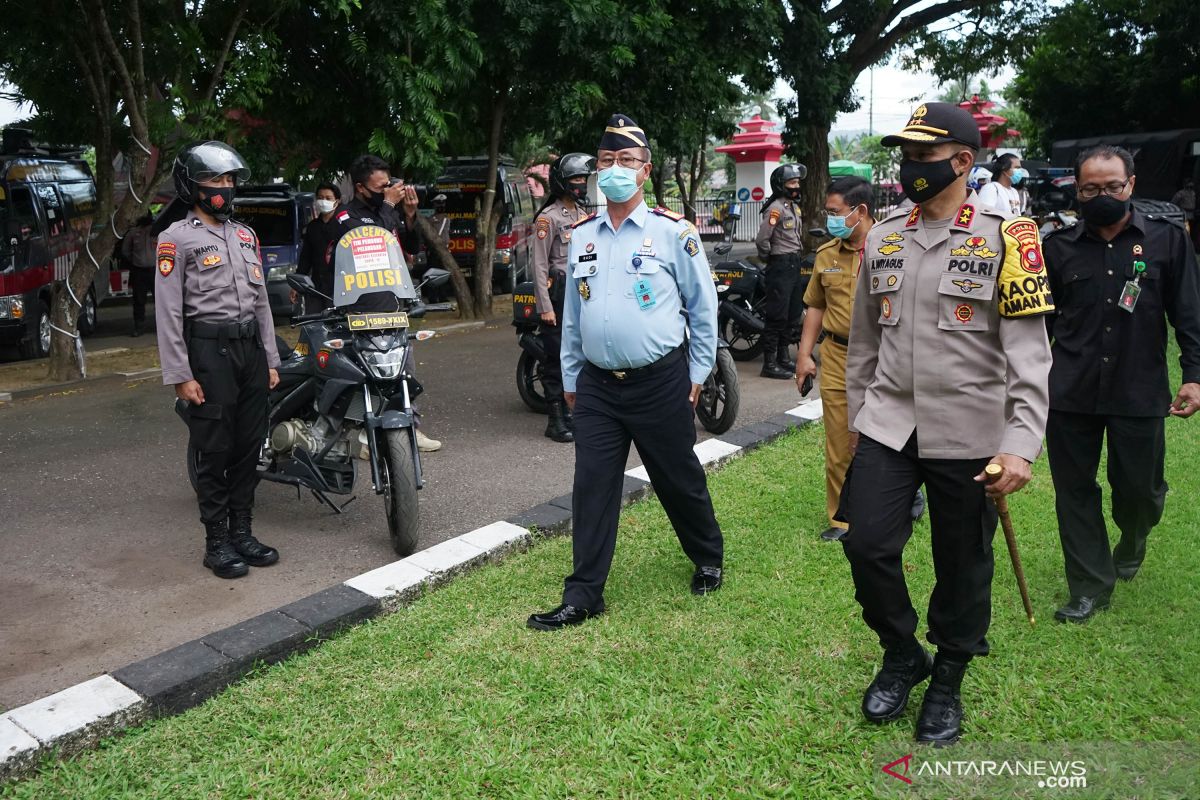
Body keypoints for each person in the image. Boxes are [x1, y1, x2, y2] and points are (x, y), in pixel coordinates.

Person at [841, 102, 1054, 744]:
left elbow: (1029, 352)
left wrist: (1019, 444)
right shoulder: (881, 236)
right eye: (904, 157)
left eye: (922, 157)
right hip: (890, 424)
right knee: (867, 545)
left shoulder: (1009, 238)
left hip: (970, 428)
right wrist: (858, 421)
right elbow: (863, 345)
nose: (909, 169)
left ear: (963, 161)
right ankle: (904, 653)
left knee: (962, 561)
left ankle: (949, 675)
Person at [527, 113, 724, 631]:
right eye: (607, 161)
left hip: (660, 380)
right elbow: (575, 315)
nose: (614, 169)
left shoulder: (673, 233)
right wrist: (570, 379)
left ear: (645, 171)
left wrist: (699, 372)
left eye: (626, 161)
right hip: (596, 385)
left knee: (677, 476)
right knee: (592, 484)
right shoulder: (583, 235)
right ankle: (584, 594)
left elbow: (703, 309)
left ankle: (707, 556)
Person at [1043, 145, 1200, 623]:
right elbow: (1038, 326)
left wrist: (1194, 375)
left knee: (1139, 490)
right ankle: (1090, 585)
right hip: (1070, 388)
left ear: (1130, 185)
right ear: (1077, 189)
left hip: (1138, 387)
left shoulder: (1168, 241)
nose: (1101, 195)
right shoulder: (1057, 247)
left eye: (1112, 186)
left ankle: (1134, 537)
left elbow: (1188, 314)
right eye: (1090, 188)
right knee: (1074, 490)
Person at [155, 141, 281, 579]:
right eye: (217, 181)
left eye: (230, 181)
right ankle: (217, 543)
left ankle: (243, 533)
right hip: (208, 353)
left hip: (250, 352)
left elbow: (261, 301)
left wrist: (270, 358)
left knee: (249, 447)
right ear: (193, 185)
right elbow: (168, 312)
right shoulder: (175, 240)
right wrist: (179, 375)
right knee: (215, 449)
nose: (226, 189)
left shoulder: (246, 236)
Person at [797, 180, 926, 544]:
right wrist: (805, 355)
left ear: (861, 212)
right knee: (841, 439)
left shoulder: (896, 248)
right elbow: (816, 306)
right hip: (839, 355)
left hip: (888, 354)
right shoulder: (826, 255)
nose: (830, 219)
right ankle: (843, 520)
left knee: (895, 430)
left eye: (835, 213)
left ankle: (909, 493)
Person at [336, 153, 441, 453]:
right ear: (360, 187)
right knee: (364, 373)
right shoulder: (348, 217)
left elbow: (411, 247)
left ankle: (411, 427)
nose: (387, 191)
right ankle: (362, 434)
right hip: (361, 307)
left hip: (393, 305)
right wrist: (390, 205)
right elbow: (369, 240)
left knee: (403, 371)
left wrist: (409, 215)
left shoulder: (388, 210)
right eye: (380, 187)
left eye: (389, 185)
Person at [530, 152, 596, 444]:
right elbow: (539, 265)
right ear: (562, 182)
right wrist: (545, 306)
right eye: (575, 179)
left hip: (582, 295)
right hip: (557, 296)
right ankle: (555, 419)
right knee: (556, 358)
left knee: (582, 356)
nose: (580, 184)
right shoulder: (548, 218)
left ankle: (575, 413)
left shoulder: (583, 214)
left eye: (583, 179)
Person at [754, 163, 808, 379]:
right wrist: (772, 257)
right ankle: (769, 363)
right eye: (792, 182)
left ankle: (784, 359)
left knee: (792, 314)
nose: (796, 186)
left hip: (794, 263)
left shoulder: (793, 207)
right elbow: (762, 240)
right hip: (781, 264)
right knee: (776, 316)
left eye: (797, 182)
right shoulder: (775, 208)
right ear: (781, 185)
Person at [293, 182, 343, 311]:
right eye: (320, 198)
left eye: (328, 198)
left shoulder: (344, 225)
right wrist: (296, 285)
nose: (323, 201)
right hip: (317, 287)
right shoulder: (312, 227)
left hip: (341, 287)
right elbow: (306, 257)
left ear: (337, 201)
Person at [121, 213, 156, 337]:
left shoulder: (157, 230)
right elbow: (125, 251)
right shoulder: (133, 233)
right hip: (139, 271)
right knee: (139, 301)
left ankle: (162, 327)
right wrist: (135, 261)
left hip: (156, 270)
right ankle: (139, 327)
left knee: (161, 300)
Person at [1170, 178, 1198, 250]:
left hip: (1192, 215)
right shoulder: (1181, 193)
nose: (1190, 187)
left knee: (1191, 233)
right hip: (1184, 214)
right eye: (1188, 185)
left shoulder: (1193, 193)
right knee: (1184, 232)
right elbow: (1173, 202)